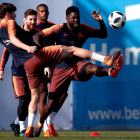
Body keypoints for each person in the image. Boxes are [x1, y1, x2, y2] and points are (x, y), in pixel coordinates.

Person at [0, 3, 122, 137]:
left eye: (78, 17)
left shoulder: (83, 29)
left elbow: (103, 34)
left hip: (37, 65)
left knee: (35, 97)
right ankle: (106, 59)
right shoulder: (54, 28)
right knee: (72, 52)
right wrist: (32, 50)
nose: (76, 20)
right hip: (48, 62)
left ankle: (29, 128)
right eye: (73, 18)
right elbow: (23, 38)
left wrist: (101, 22)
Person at [36, 4, 68, 137]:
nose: (44, 13)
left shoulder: (54, 27)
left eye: (46, 11)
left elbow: (57, 45)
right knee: (43, 94)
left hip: (54, 64)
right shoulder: (34, 28)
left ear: (48, 13)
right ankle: (43, 127)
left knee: (62, 94)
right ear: (38, 13)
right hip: (40, 64)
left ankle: (50, 121)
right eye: (41, 11)